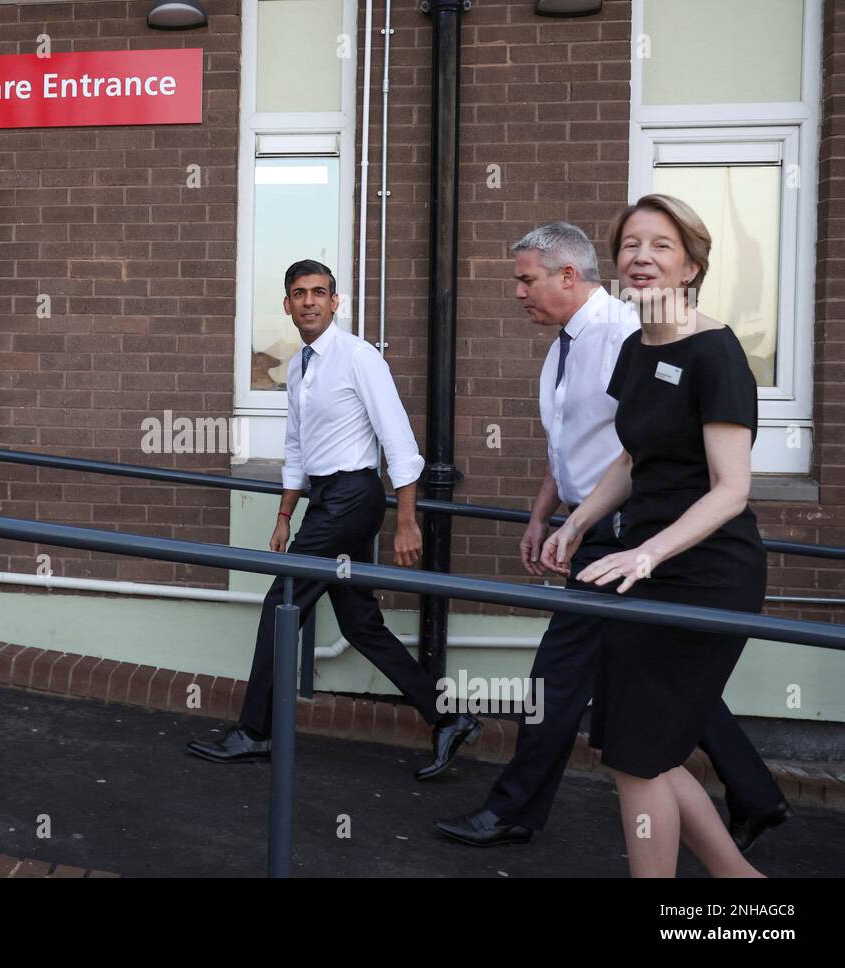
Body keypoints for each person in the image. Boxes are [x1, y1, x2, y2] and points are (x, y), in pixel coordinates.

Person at [435, 223, 789, 852]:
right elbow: (575, 443)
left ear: (567, 275)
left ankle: (514, 807)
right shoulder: (563, 347)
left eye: (526, 279)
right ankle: (754, 800)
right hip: (594, 525)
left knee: (562, 677)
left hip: (628, 536)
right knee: (643, 684)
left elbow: (660, 458)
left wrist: (626, 539)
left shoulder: (627, 332)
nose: (518, 293)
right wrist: (548, 513)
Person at [541, 195, 777, 877]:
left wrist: (647, 552)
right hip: (638, 567)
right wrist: (579, 520)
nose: (642, 257)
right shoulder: (636, 349)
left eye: (662, 246)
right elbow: (633, 458)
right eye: (631, 245)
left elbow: (732, 488)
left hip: (704, 574)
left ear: (691, 266)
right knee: (636, 750)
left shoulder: (716, 352)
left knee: (638, 758)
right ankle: (743, 884)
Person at [186, 259, 480, 779]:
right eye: (299, 293)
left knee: (281, 603)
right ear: (287, 304)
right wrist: (283, 515)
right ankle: (448, 718)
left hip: (353, 496)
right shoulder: (300, 366)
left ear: (335, 301)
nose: (309, 302)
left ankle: (254, 733)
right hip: (325, 498)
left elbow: (398, 440)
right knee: (360, 623)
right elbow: (297, 448)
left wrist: (407, 519)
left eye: (319, 292)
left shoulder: (358, 358)